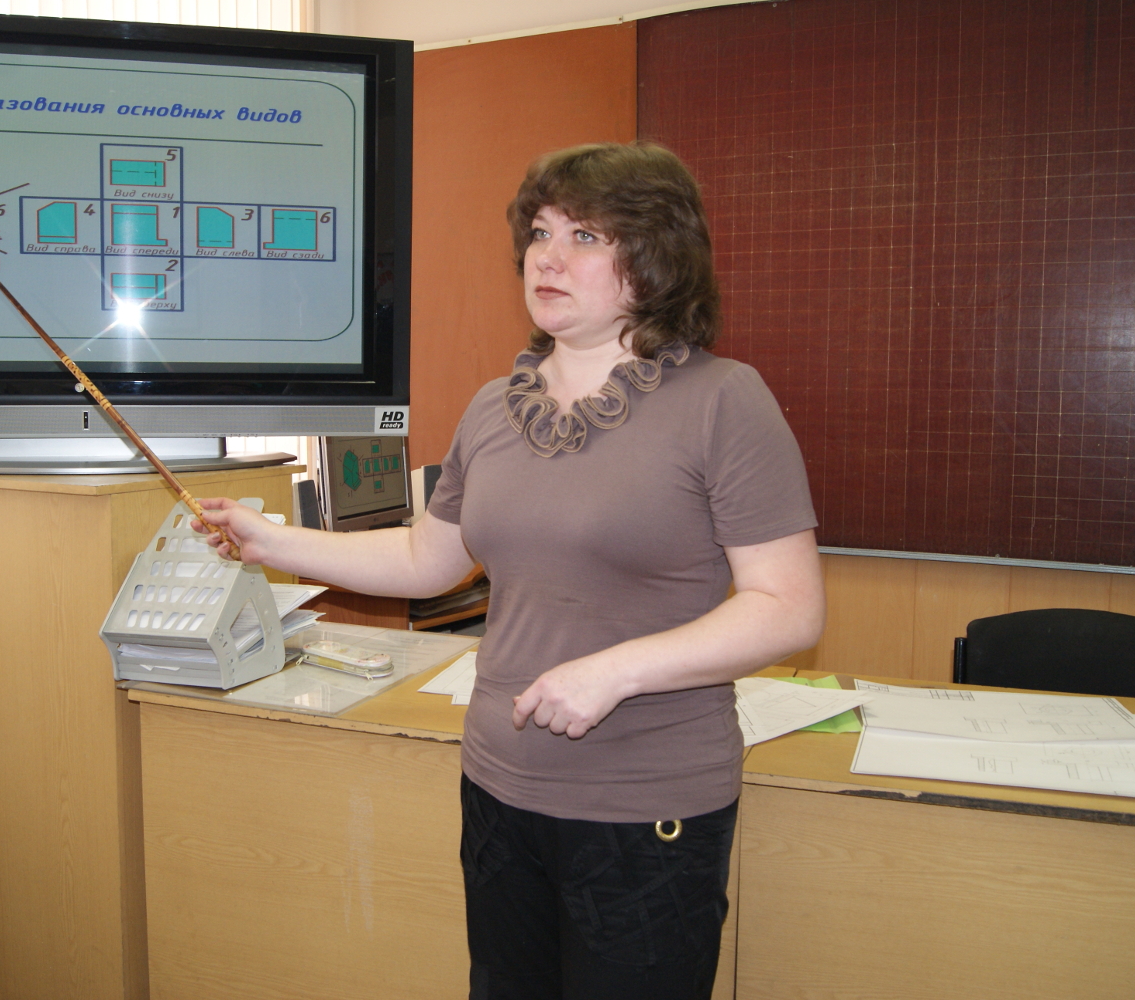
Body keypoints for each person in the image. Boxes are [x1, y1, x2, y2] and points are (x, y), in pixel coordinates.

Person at [198, 141, 824, 1000]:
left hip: (646, 806)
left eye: (586, 236)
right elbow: (425, 558)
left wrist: (615, 672)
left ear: (656, 258)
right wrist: (270, 542)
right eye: (539, 233)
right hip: (499, 789)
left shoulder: (725, 400)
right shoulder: (496, 408)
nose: (548, 257)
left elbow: (787, 606)